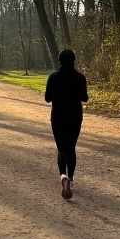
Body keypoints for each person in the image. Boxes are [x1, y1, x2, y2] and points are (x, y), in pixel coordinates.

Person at [44, 49, 88, 200]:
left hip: (58, 117)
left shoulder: (53, 77)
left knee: (61, 149)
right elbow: (85, 98)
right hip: (75, 116)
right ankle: (71, 178)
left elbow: (47, 98)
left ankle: (63, 177)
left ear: (59, 61)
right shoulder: (80, 77)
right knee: (71, 148)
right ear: (74, 60)